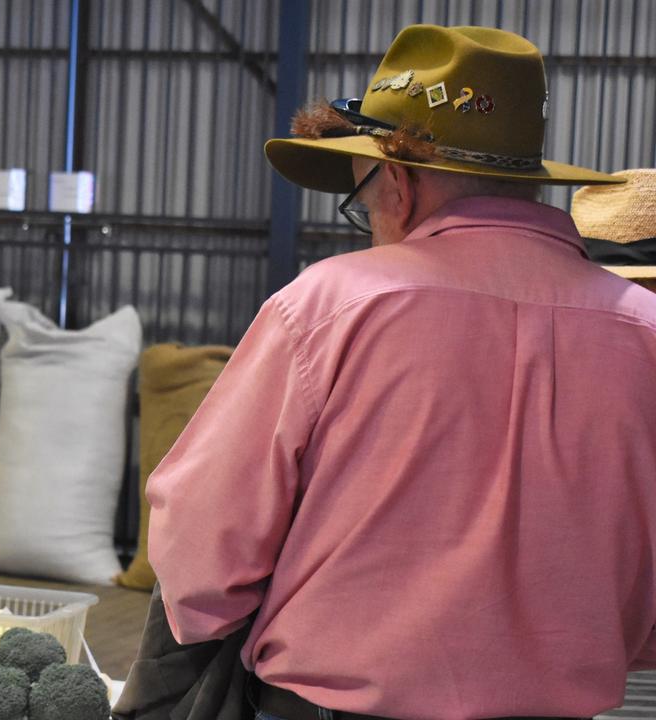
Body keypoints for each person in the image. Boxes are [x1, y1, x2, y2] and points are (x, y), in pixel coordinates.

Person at [146, 23, 656, 720]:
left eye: (359, 205)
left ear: (397, 183)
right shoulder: (644, 331)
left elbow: (199, 544)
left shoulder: (328, 308)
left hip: (330, 706)